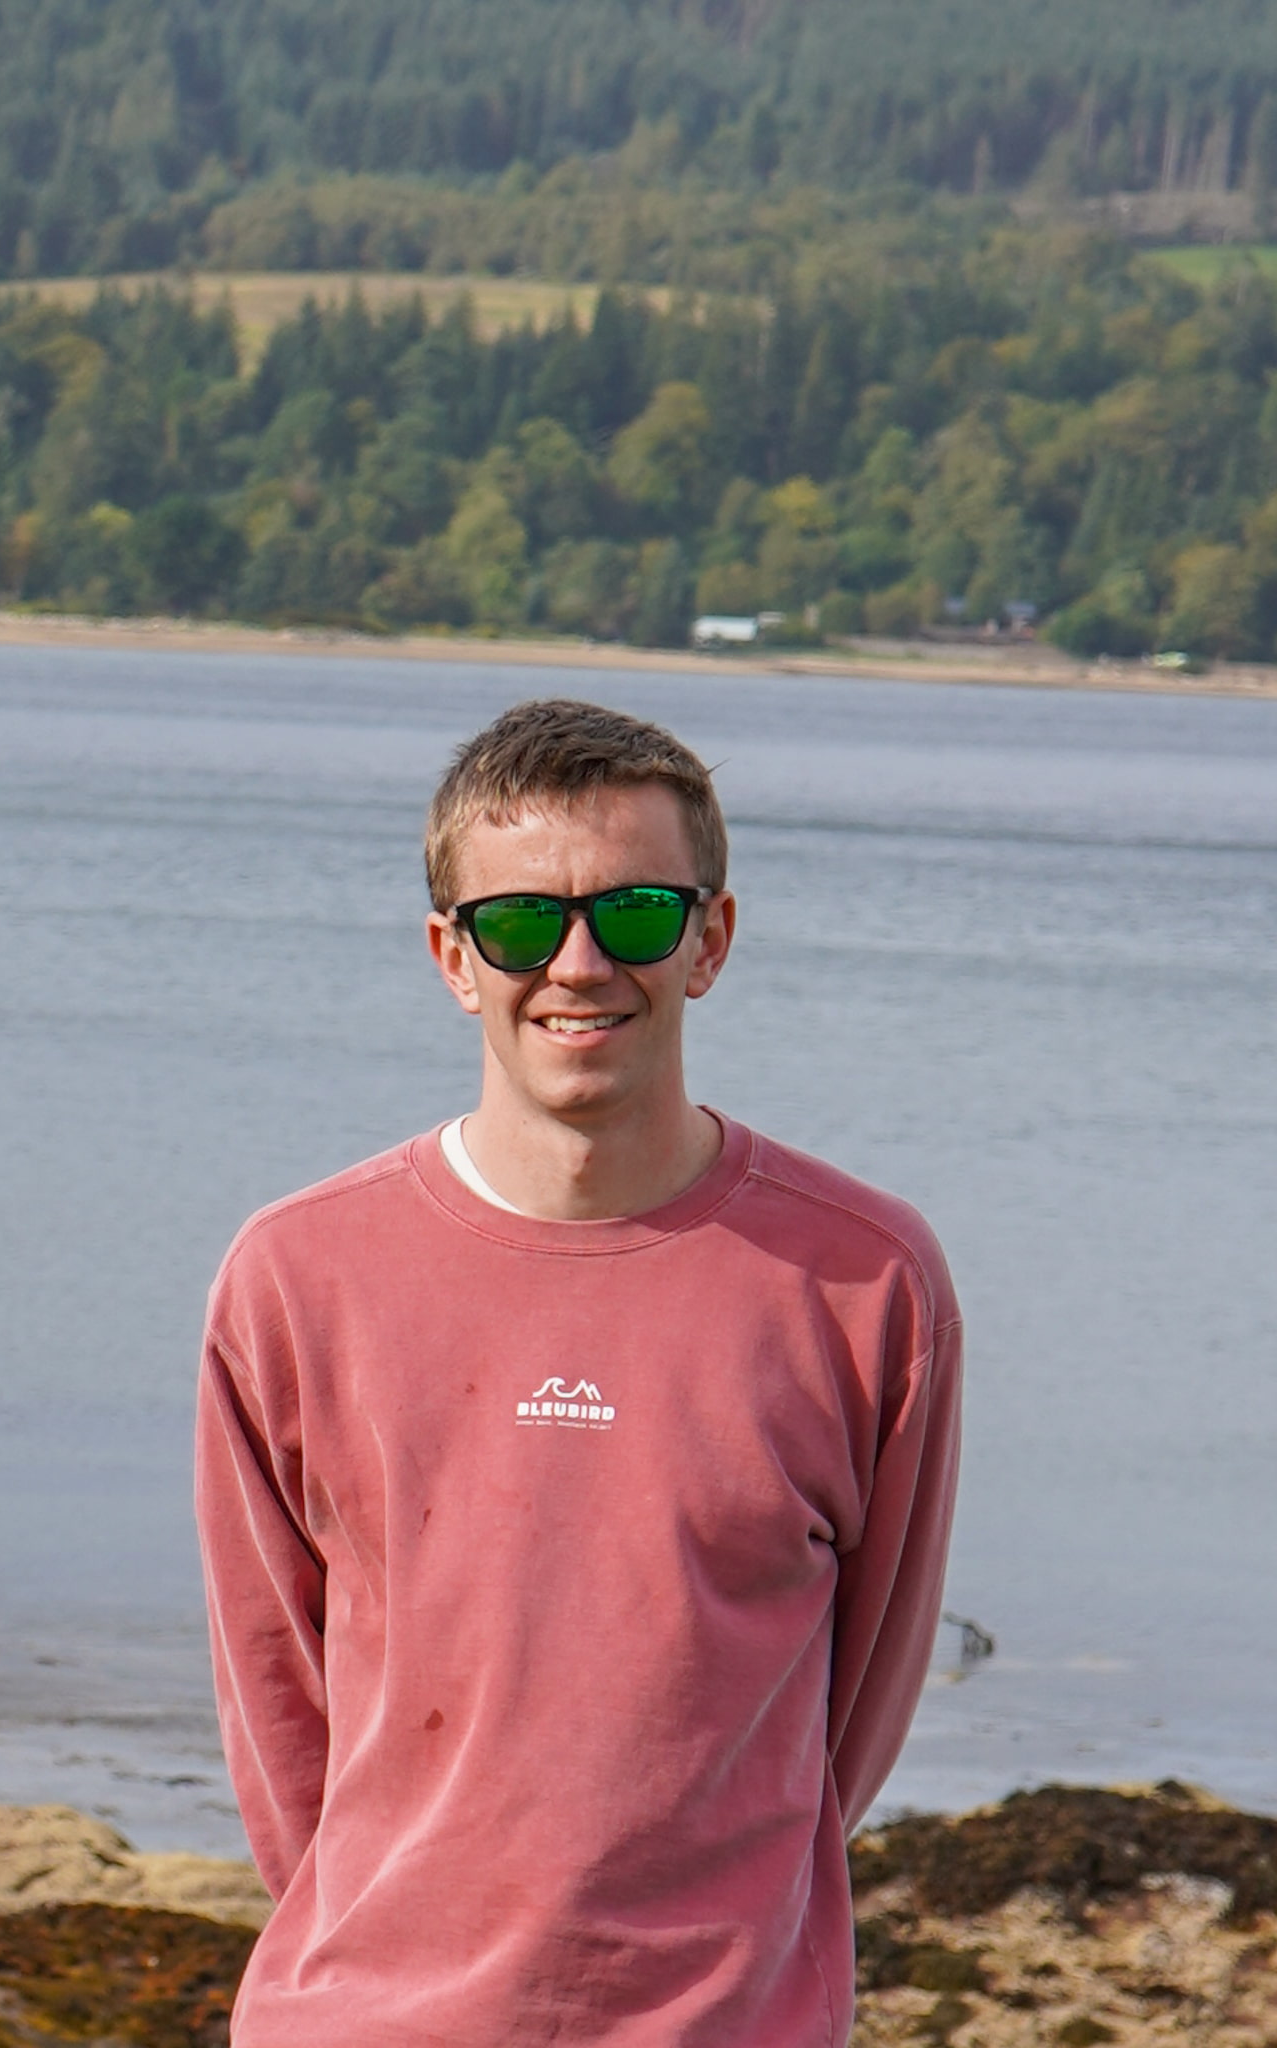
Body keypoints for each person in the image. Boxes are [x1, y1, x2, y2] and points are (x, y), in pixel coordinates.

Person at [196, 696, 962, 2046]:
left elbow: (861, 1708)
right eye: (520, 923)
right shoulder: (296, 1277)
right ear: (451, 955)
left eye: (639, 915)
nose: (580, 962)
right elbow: (277, 1712)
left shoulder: (865, 1280)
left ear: (711, 940)